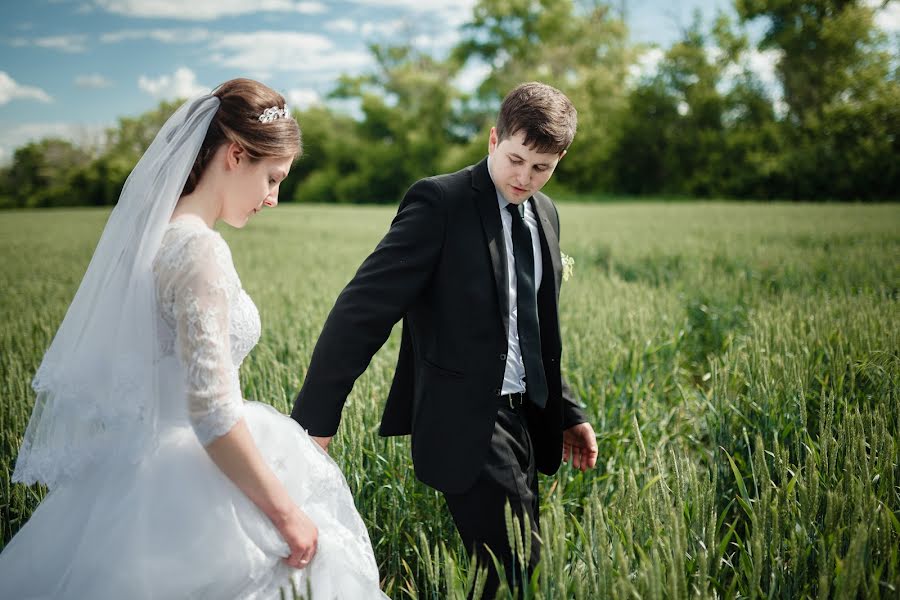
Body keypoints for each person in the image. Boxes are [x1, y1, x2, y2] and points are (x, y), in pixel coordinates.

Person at [0, 78, 387, 599]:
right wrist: (286, 513)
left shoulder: (158, 237)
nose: (273, 199)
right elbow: (211, 411)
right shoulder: (197, 250)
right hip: (197, 484)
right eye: (272, 178)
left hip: (133, 473)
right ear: (235, 154)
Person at [292, 81, 599, 597]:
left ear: (560, 159)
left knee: (509, 573)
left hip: (529, 418)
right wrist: (315, 421)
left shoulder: (545, 213)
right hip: (466, 420)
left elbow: (535, 327)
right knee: (517, 567)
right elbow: (361, 311)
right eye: (516, 159)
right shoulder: (441, 202)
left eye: (541, 167)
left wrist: (568, 410)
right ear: (493, 138)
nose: (524, 177)